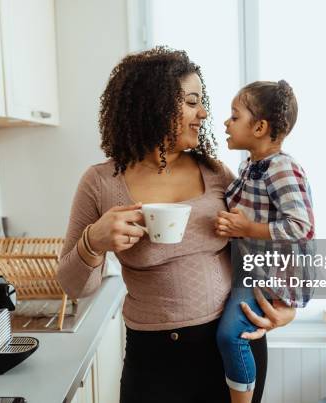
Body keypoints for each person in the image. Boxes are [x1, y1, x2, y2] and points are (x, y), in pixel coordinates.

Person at [56, 47, 296, 403]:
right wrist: (93, 242)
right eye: (191, 102)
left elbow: (269, 239)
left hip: (229, 350)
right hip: (154, 364)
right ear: (153, 105)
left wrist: (287, 305)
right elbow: (73, 284)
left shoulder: (215, 172)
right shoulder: (101, 183)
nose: (203, 113)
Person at [215, 81, 315, 403]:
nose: (226, 122)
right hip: (255, 266)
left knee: (231, 336)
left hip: (271, 274)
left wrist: (247, 227)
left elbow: (301, 226)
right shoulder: (250, 164)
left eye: (234, 116)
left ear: (259, 127)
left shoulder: (283, 168)